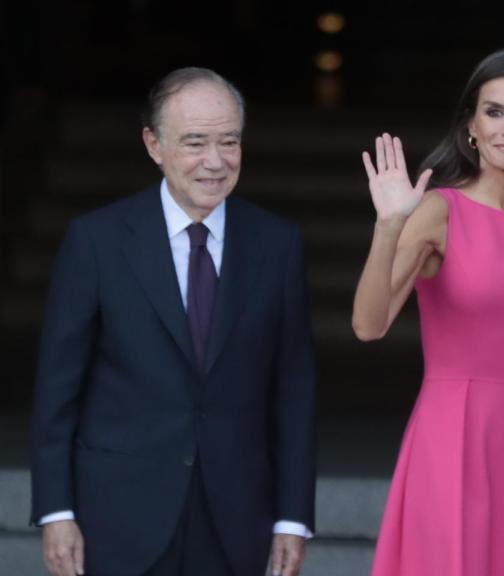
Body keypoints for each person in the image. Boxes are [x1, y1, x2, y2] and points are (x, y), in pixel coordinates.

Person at [30, 67, 317, 576]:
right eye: (194, 142)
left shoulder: (278, 245)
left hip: (237, 519)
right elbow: (58, 390)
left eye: (229, 141)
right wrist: (56, 511)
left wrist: (292, 519)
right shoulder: (97, 242)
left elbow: (293, 391)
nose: (215, 161)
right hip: (117, 516)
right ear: (153, 144)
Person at [352, 49, 504, 576]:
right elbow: (368, 326)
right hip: (449, 438)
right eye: (494, 112)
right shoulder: (437, 211)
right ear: (471, 126)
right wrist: (389, 226)